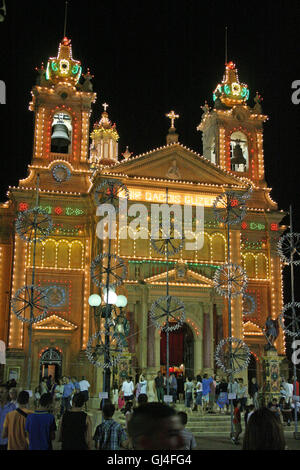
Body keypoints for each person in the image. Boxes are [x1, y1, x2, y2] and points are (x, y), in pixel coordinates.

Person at [0, 384, 16, 450]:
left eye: (1, 392)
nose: (0, 394)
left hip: (6, 441)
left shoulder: (12, 407)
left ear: (7, 393)